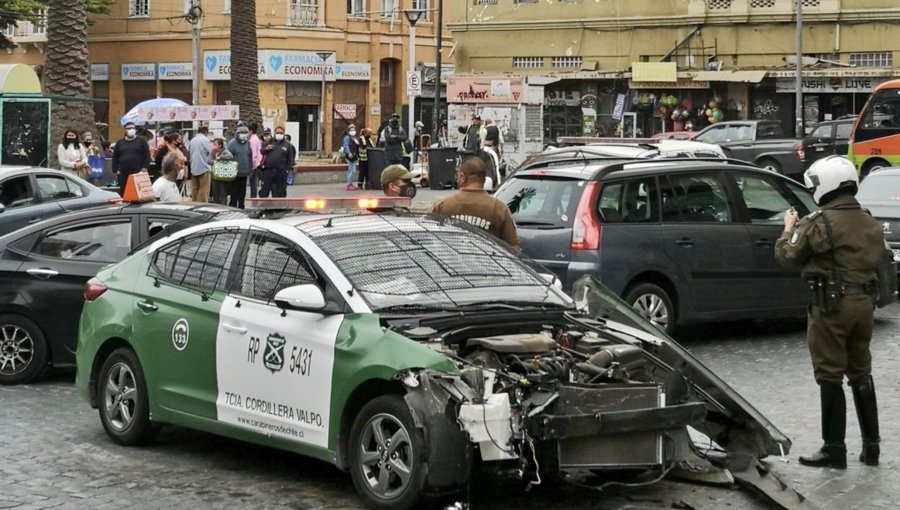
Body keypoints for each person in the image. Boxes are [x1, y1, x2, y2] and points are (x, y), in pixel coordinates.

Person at [774, 155, 885, 469]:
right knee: (861, 371)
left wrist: (788, 229)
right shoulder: (867, 218)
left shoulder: (819, 222)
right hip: (864, 303)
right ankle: (871, 447)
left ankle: (834, 449)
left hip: (832, 305)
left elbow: (788, 256)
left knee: (830, 375)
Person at [429, 157, 519, 251]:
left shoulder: (442, 206)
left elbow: (425, 236)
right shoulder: (499, 209)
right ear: (484, 179)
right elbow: (513, 248)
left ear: (463, 177)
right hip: (488, 264)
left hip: (449, 264)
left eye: (458, 176)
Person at [111, 122, 151, 195]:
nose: (131, 130)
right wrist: (116, 170)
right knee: (124, 192)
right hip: (123, 172)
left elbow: (147, 154)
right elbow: (115, 157)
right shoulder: (120, 143)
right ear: (125, 130)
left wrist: (145, 167)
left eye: (133, 128)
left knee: (137, 192)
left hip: (138, 171)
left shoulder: (141, 141)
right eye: (129, 128)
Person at [260, 126, 293, 198]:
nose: (279, 134)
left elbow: (290, 159)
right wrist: (266, 148)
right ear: (274, 133)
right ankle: (265, 207)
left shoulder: (287, 145)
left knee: (280, 191)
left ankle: (279, 208)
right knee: (264, 190)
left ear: (284, 134)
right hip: (269, 171)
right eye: (277, 133)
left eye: (281, 133)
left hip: (281, 172)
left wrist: (287, 170)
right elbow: (262, 151)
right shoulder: (269, 141)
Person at [227, 125, 254, 209]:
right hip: (234, 173)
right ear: (237, 133)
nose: (244, 134)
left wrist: (250, 170)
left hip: (244, 172)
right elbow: (228, 157)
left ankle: (241, 206)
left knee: (242, 192)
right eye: (242, 133)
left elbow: (250, 157)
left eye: (245, 133)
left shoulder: (248, 143)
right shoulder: (232, 143)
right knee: (234, 191)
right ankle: (233, 206)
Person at [189, 125, 213, 203]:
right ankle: (202, 207)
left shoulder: (192, 140)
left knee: (195, 189)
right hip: (204, 168)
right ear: (206, 132)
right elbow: (211, 152)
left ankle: (194, 205)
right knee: (203, 190)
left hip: (193, 168)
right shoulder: (205, 140)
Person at [209, 137, 232, 205]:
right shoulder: (213, 152)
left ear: (220, 145)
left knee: (223, 192)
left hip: (222, 175)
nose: (214, 145)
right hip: (214, 175)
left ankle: (223, 206)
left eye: (215, 144)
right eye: (213, 144)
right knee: (215, 192)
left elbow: (230, 156)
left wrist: (221, 158)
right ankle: (216, 206)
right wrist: (215, 161)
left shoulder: (224, 151)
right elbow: (208, 160)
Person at [342, 124, 360, 191]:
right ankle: (349, 184)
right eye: (351, 130)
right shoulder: (347, 138)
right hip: (350, 156)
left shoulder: (354, 137)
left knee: (350, 170)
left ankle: (350, 184)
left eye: (354, 130)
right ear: (349, 131)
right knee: (353, 170)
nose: (353, 131)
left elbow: (357, 145)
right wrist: (348, 152)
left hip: (354, 156)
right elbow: (346, 145)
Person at [248, 123, 263, 198]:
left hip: (254, 165)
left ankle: (253, 197)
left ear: (250, 131)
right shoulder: (254, 139)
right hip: (256, 164)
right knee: (253, 183)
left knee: (253, 183)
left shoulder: (253, 140)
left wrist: (251, 166)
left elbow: (253, 154)